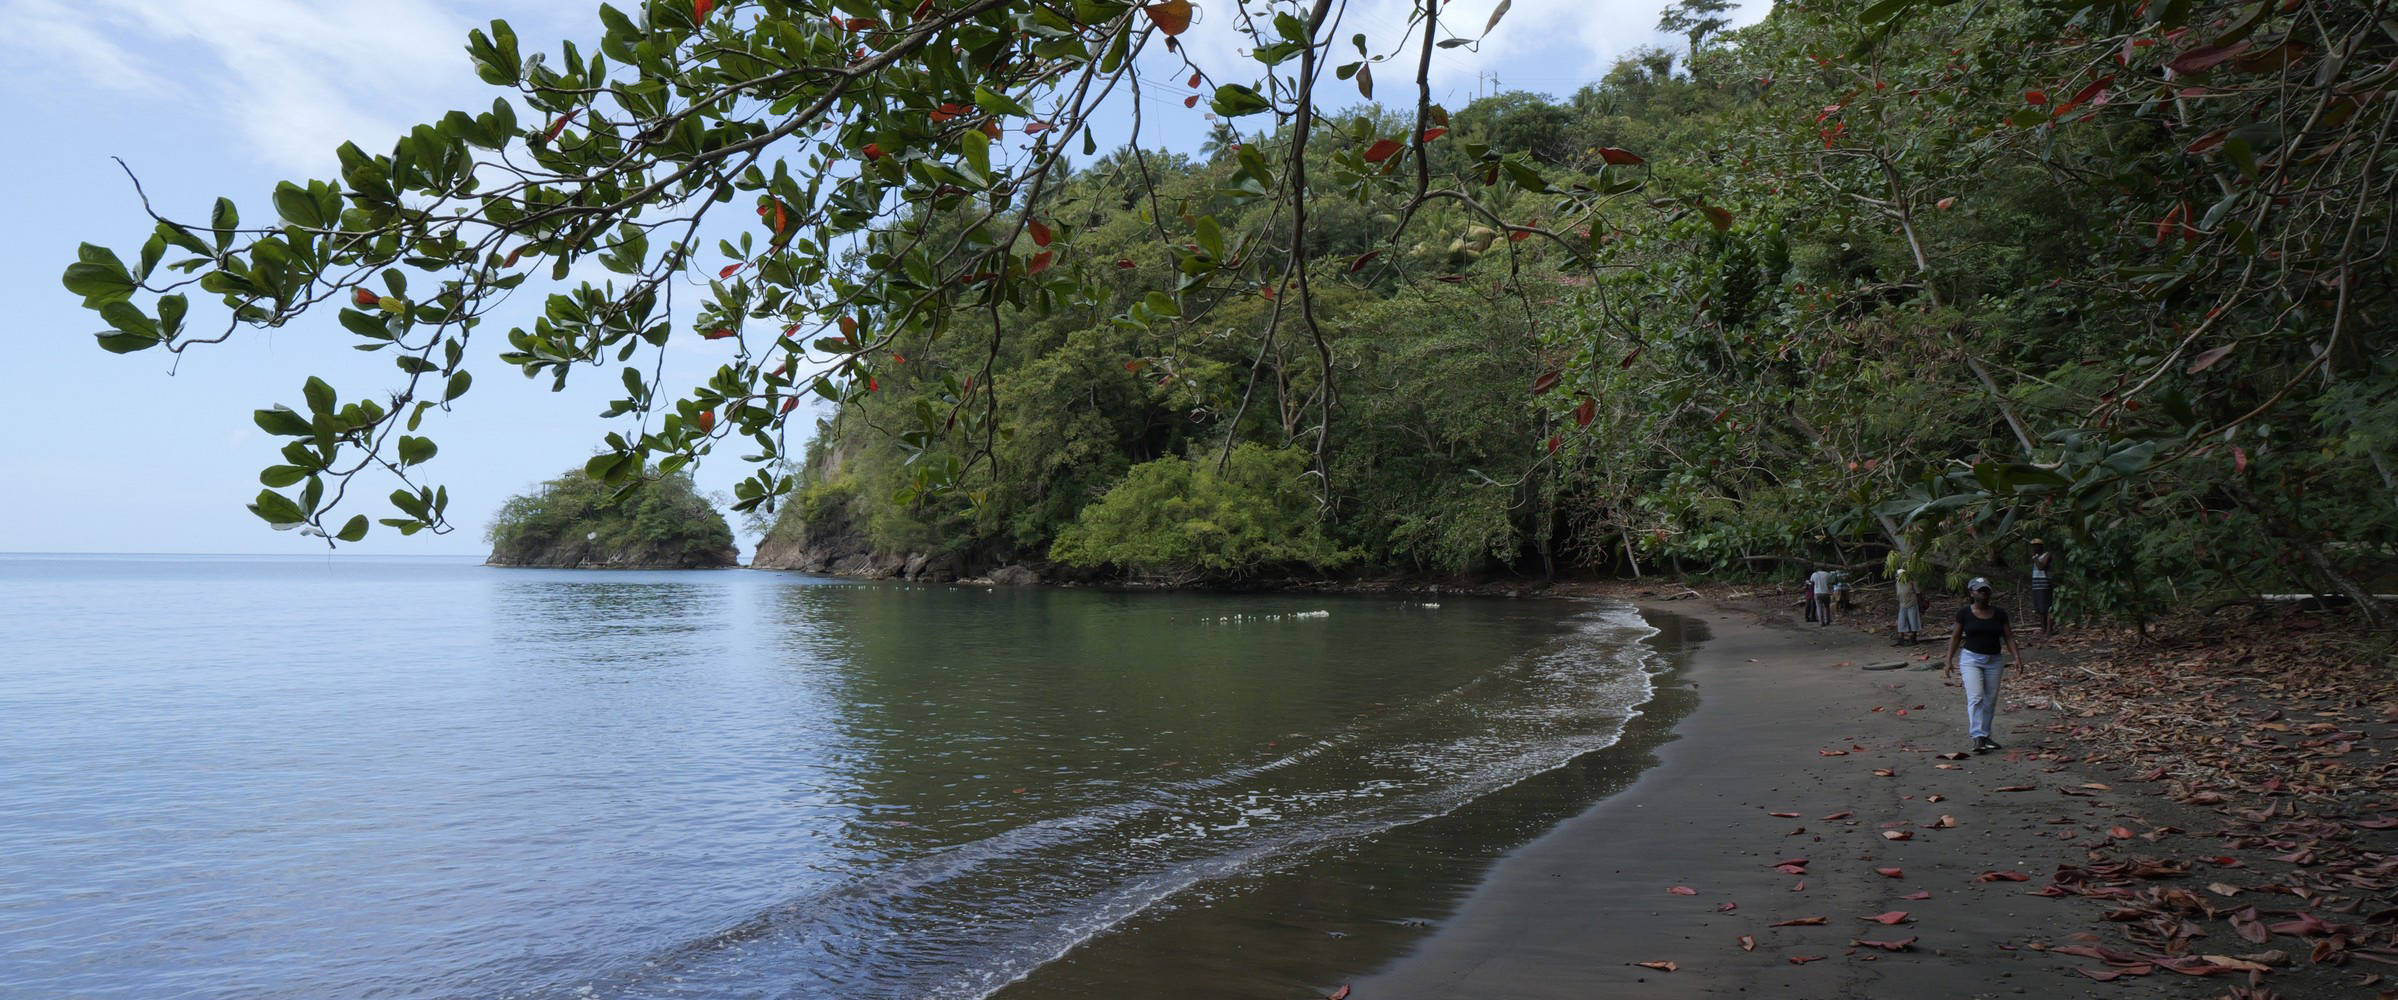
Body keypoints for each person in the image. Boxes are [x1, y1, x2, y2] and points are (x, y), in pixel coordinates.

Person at [1945, 577, 2024, 753]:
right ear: (1971, 593)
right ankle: (1978, 737)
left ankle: (1986, 736)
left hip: (1994, 660)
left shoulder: (2000, 613)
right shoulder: (1964, 613)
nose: (1983, 593)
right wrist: (1949, 660)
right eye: (1979, 590)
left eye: (1986, 589)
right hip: (1971, 659)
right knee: (1976, 697)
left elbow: (2008, 637)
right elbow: (1956, 637)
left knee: (1990, 700)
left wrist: (2017, 657)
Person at [2028, 538, 2056, 637]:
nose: (2034, 547)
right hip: (2037, 586)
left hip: (2045, 585)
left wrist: (2034, 557)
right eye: (2033, 546)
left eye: (2036, 545)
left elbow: (2041, 567)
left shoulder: (2047, 555)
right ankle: (2043, 630)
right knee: (2040, 609)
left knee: (2048, 608)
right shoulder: (2036, 557)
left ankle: (2049, 630)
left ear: (2041, 546)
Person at [1893, 569, 1921, 645]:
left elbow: (1918, 593)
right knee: (1901, 622)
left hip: (1911, 603)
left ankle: (1913, 640)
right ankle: (1900, 640)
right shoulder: (1898, 583)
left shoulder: (1912, 582)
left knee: (1913, 621)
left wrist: (1920, 604)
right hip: (1902, 604)